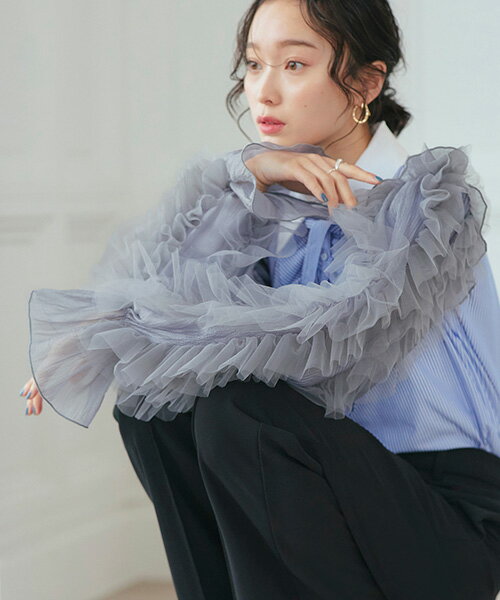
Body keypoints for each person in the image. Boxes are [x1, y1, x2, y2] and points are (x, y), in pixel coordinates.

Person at [20, 0, 500, 598]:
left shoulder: (427, 208)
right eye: (253, 65)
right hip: (342, 478)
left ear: (365, 83)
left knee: (239, 408)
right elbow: (174, 278)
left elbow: (308, 347)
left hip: (450, 518)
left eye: (294, 65)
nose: (263, 93)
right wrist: (244, 177)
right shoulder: (280, 197)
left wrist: (118, 333)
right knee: (152, 409)